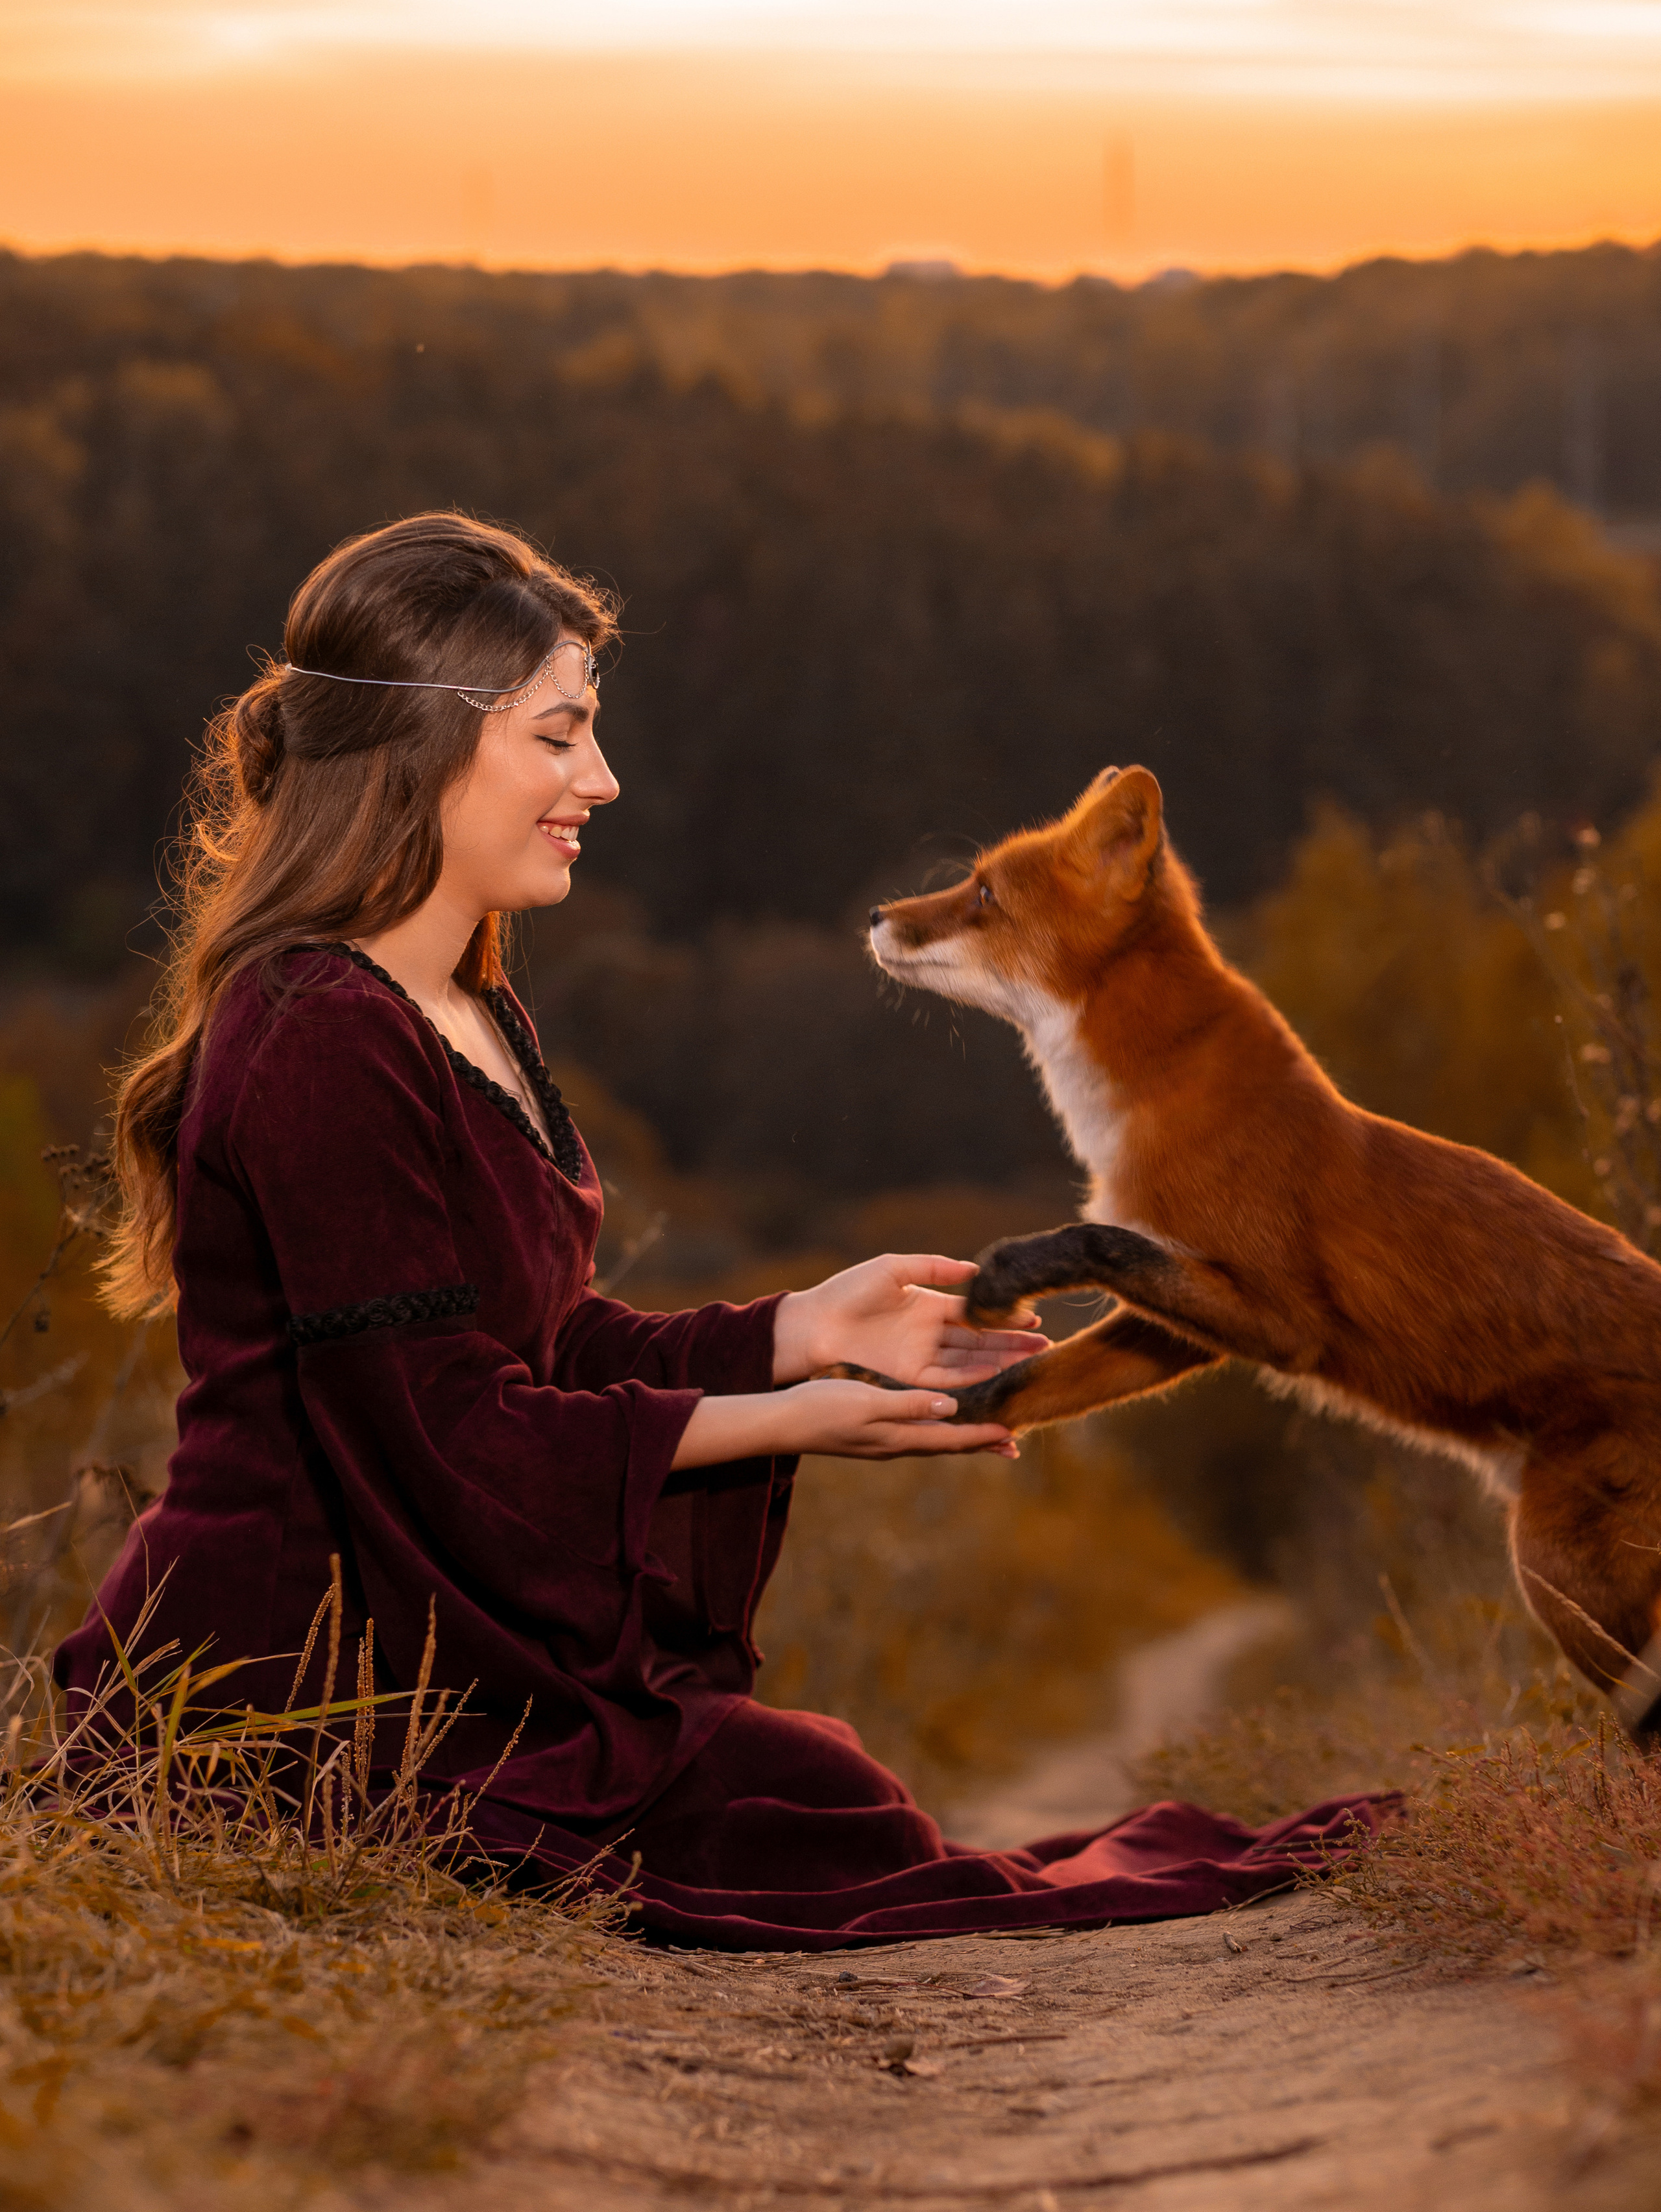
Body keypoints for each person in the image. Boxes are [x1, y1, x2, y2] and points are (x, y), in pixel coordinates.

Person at [58, 513, 1387, 1948]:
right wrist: (788, 1417)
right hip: (294, 1688)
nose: (601, 780)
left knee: (819, 1799)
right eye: (559, 737)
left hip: (414, 1643)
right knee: (805, 1805)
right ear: (426, 746)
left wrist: (792, 1329)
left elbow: (537, 1342)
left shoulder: (467, 1005)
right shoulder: (316, 1029)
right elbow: (444, 1431)